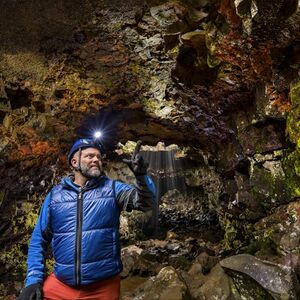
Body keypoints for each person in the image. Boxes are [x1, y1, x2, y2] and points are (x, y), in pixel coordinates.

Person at [18, 137, 156, 300]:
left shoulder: (112, 189)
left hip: (102, 287)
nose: (96, 159)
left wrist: (141, 177)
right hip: (61, 284)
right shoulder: (55, 196)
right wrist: (33, 280)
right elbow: (39, 239)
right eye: (90, 156)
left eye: (98, 157)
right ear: (74, 162)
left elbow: (146, 203)